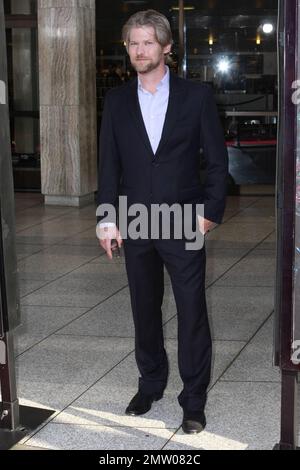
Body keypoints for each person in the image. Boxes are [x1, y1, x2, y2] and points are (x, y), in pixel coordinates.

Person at [96, 9, 228, 434]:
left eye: (148, 42)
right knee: (144, 310)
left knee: (191, 312)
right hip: (135, 220)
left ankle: (193, 400)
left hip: (184, 219)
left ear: (167, 47)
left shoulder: (197, 97)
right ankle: (150, 384)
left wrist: (209, 214)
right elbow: (108, 166)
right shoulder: (116, 101)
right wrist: (106, 219)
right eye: (133, 43)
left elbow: (217, 160)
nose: (139, 50)